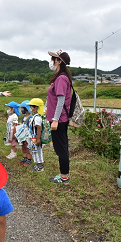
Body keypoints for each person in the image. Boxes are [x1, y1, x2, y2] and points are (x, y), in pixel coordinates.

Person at [47, 50, 72, 184]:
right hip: (58, 119)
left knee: (61, 148)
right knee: (60, 147)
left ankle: (64, 177)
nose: (52, 61)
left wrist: (55, 120)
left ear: (59, 62)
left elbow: (61, 100)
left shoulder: (61, 78)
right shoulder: (59, 76)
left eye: (53, 59)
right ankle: (64, 175)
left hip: (60, 119)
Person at [27, 98, 45, 172]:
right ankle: (38, 164)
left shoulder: (37, 117)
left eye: (31, 106)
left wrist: (38, 139)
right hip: (33, 138)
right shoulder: (35, 116)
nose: (30, 108)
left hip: (35, 138)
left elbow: (38, 128)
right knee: (34, 151)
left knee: (38, 151)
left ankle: (40, 166)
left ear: (36, 107)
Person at [18, 101, 33, 166]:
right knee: (23, 146)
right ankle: (24, 158)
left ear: (26, 108)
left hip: (28, 135)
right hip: (23, 135)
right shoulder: (23, 117)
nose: (21, 110)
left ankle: (29, 159)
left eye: (22, 108)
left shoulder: (31, 117)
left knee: (28, 147)